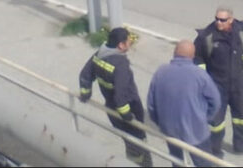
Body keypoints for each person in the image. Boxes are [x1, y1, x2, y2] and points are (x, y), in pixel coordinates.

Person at [79, 27, 152, 167]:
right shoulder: (120, 64)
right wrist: (128, 116)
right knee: (139, 145)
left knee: (128, 141)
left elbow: (85, 74)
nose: (130, 43)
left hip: (111, 111)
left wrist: (85, 93)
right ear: (121, 45)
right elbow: (121, 95)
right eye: (128, 41)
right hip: (128, 113)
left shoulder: (99, 55)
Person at [147, 40, 221, 167]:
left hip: (170, 129)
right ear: (193, 56)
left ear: (174, 53)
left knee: (177, 161)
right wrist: (204, 119)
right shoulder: (200, 75)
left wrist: (160, 122)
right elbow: (215, 102)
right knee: (203, 163)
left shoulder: (161, 72)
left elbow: (151, 105)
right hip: (196, 131)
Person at [193, 7, 243, 157]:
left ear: (231, 20)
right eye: (216, 19)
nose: (218, 22)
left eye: (222, 20)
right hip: (217, 85)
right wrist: (203, 78)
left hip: (238, 83)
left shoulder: (242, 32)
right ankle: (215, 150)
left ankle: (241, 146)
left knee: (241, 116)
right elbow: (198, 58)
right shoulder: (207, 36)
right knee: (216, 121)